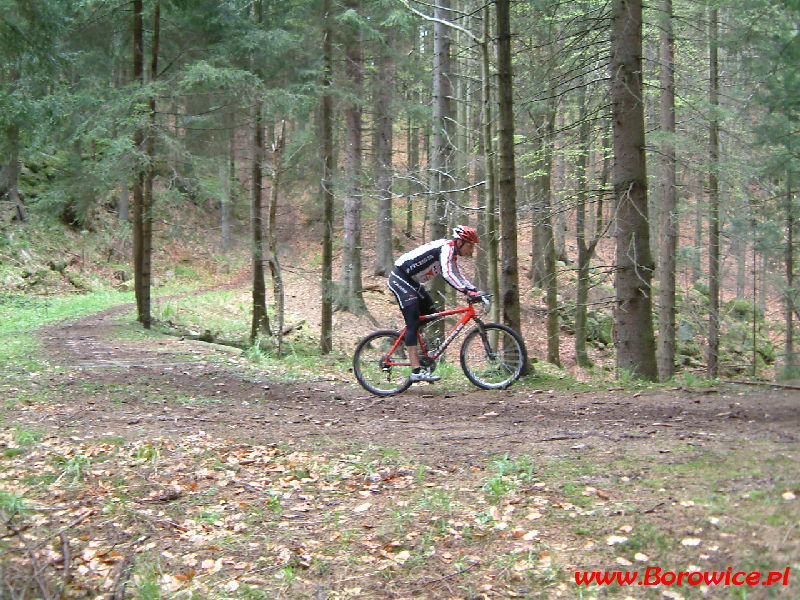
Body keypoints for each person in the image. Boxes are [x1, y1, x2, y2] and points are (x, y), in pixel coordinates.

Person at [388, 225, 485, 383]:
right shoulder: (446, 249)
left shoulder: (451, 253)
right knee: (413, 323)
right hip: (400, 278)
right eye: (470, 246)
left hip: (412, 282)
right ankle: (416, 371)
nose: (471, 251)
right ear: (460, 242)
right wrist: (466, 292)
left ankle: (403, 337)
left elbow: (457, 274)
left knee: (430, 313)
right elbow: (447, 274)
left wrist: (474, 290)